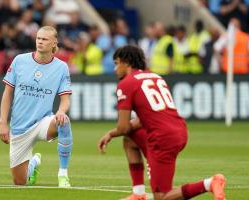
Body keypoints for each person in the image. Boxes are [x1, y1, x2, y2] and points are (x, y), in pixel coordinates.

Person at [97, 45, 226, 200]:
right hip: (179, 130)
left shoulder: (126, 83)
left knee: (162, 196)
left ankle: (210, 183)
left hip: (162, 137)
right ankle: (138, 194)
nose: (115, 68)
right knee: (130, 139)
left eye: (117, 63)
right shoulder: (155, 76)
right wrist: (114, 132)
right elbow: (142, 120)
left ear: (126, 62)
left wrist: (111, 133)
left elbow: (123, 127)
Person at [0, 26, 73, 187]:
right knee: (20, 182)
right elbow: (7, 93)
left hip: (43, 122)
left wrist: (60, 111)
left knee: (64, 121)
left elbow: (65, 99)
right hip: (19, 128)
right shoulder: (20, 60)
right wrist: (3, 123)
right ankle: (33, 165)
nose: (40, 42)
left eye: (44, 39)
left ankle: (63, 175)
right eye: (38, 38)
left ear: (54, 43)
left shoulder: (61, 67)